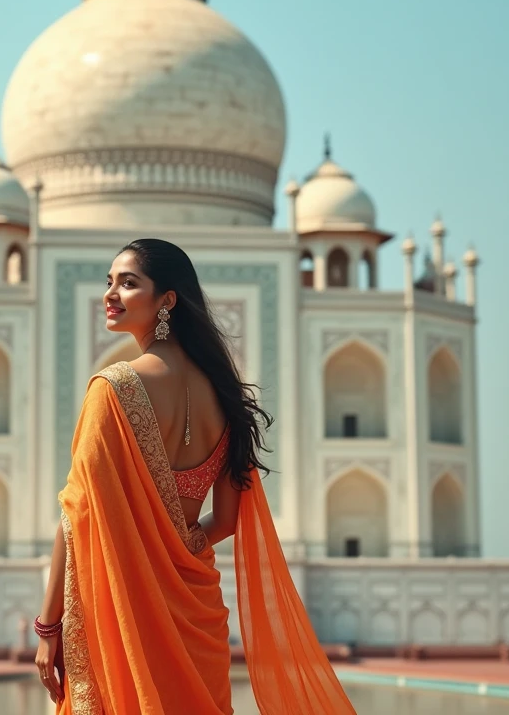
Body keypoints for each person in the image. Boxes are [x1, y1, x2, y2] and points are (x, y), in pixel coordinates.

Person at [34, 237, 356, 714]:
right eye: (109, 282)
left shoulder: (112, 390)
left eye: (128, 283)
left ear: (167, 301)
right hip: (194, 610)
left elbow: (76, 515)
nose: (110, 294)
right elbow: (224, 521)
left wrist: (48, 627)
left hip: (128, 611)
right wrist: (174, 549)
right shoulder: (226, 397)